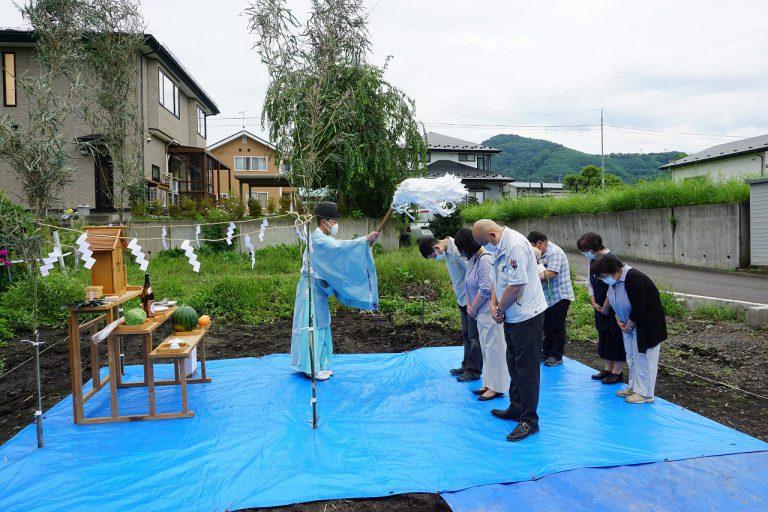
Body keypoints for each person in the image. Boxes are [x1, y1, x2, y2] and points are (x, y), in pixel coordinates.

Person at [473, 220, 548, 442]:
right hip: (511, 315)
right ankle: (516, 407)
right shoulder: (500, 246)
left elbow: (516, 285)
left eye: (487, 243)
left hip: (527, 315)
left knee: (527, 368)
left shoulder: (514, 245)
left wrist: (500, 308)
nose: (487, 248)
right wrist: (495, 305)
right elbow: (498, 280)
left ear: (493, 234)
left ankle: (529, 420)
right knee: (513, 363)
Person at [290, 202, 380, 380]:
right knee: (312, 325)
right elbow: (341, 248)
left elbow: (338, 251)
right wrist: (364, 241)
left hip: (317, 290)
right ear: (324, 221)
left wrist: (364, 243)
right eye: (333, 221)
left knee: (320, 324)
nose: (335, 224)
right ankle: (311, 368)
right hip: (310, 290)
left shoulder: (323, 239)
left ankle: (316, 365)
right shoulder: (318, 239)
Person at [593, 254, 667, 404]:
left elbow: (640, 306)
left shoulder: (633, 278)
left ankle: (645, 393)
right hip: (627, 324)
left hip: (645, 326)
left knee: (644, 359)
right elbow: (615, 301)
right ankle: (633, 387)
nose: (602, 279)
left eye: (603, 276)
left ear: (613, 271)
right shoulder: (614, 281)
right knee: (632, 358)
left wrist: (629, 324)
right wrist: (618, 319)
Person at [453, 229, 509, 401]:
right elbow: (469, 285)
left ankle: (497, 387)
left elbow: (485, 288)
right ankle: (488, 383)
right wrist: (470, 305)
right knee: (486, 350)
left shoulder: (485, 260)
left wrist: (473, 307)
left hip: (487, 312)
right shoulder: (473, 260)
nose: (460, 252)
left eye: (460, 248)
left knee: (495, 351)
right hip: (478, 313)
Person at [419, 235, 483, 382]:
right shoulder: (447, 251)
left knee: (474, 338)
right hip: (462, 300)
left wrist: (473, 302)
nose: (435, 258)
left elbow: (473, 273)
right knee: (466, 336)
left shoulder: (457, 251)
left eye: (433, 255)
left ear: (436, 247)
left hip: (471, 301)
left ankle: (474, 371)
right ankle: (466, 366)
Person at [576, 232, 625, 384]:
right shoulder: (593, 261)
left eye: (585, 250)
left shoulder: (611, 259)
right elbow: (590, 281)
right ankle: (607, 368)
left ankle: (618, 372)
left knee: (615, 337)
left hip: (613, 306)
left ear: (594, 248)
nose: (585, 254)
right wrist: (592, 300)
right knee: (603, 336)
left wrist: (605, 305)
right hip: (599, 305)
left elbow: (616, 285)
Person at [527, 231, 574, 367]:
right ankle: (546, 352)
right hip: (546, 296)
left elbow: (552, 273)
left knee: (557, 326)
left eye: (533, 247)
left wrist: (531, 276)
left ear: (540, 243)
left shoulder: (554, 252)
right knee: (546, 325)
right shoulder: (538, 253)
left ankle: (556, 355)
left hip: (560, 295)